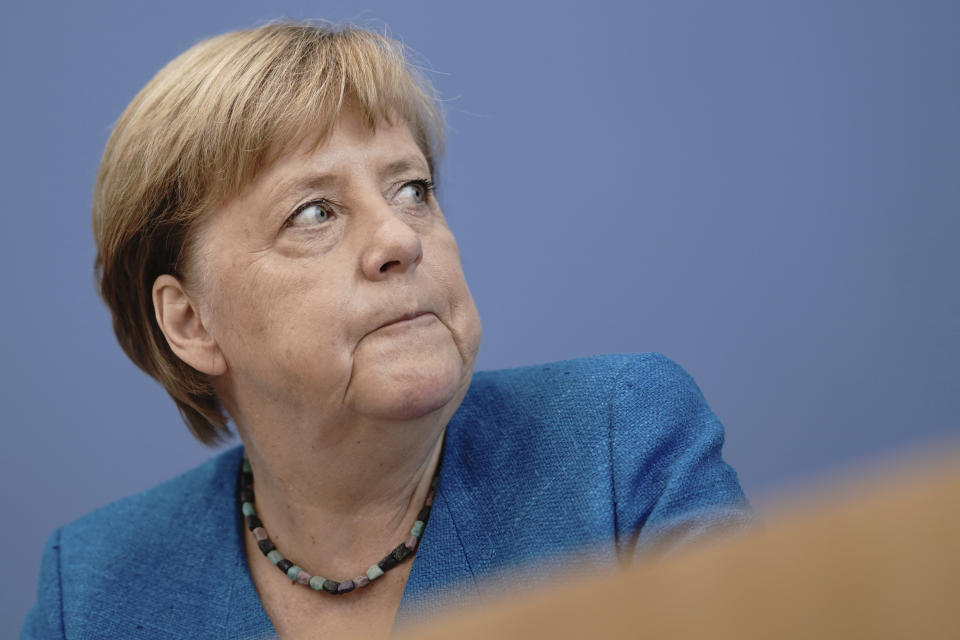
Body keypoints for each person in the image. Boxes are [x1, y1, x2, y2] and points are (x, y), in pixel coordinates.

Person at [23, 21, 750, 639]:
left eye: (413, 189)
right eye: (313, 212)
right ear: (191, 321)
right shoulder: (91, 592)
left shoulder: (618, 449)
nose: (400, 238)